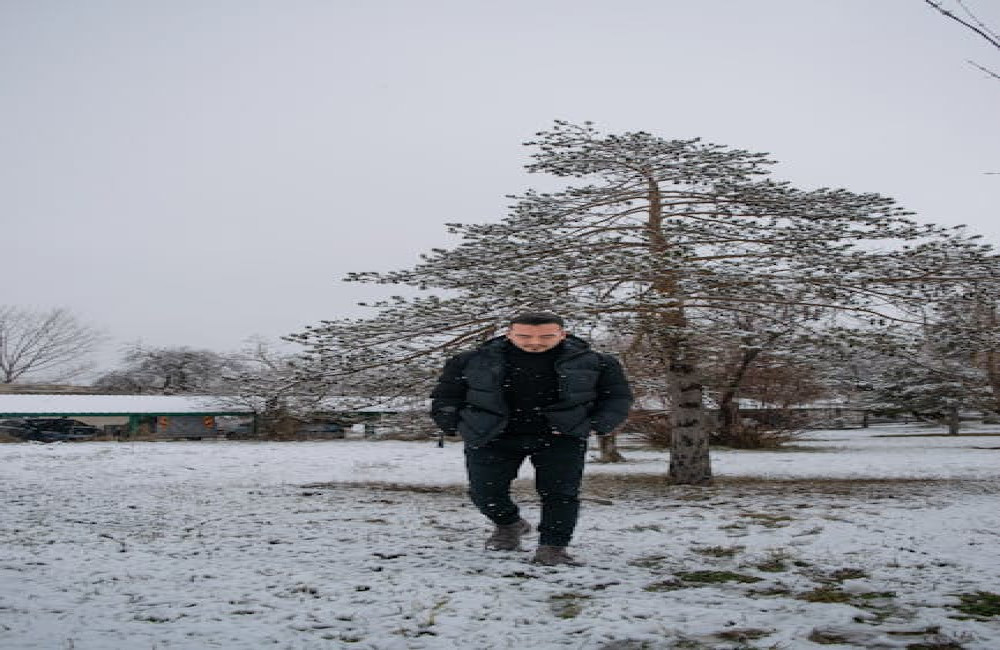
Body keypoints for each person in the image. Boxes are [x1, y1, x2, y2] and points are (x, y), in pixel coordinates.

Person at [430, 311, 633, 566]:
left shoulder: (596, 362)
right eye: (524, 336)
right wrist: (451, 422)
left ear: (562, 333)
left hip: (561, 436)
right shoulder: (471, 360)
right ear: (509, 333)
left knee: (560, 494)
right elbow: (447, 395)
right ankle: (509, 524)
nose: (535, 342)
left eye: (546, 336)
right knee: (484, 493)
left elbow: (617, 397)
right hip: (491, 434)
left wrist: (597, 424)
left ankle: (553, 548)